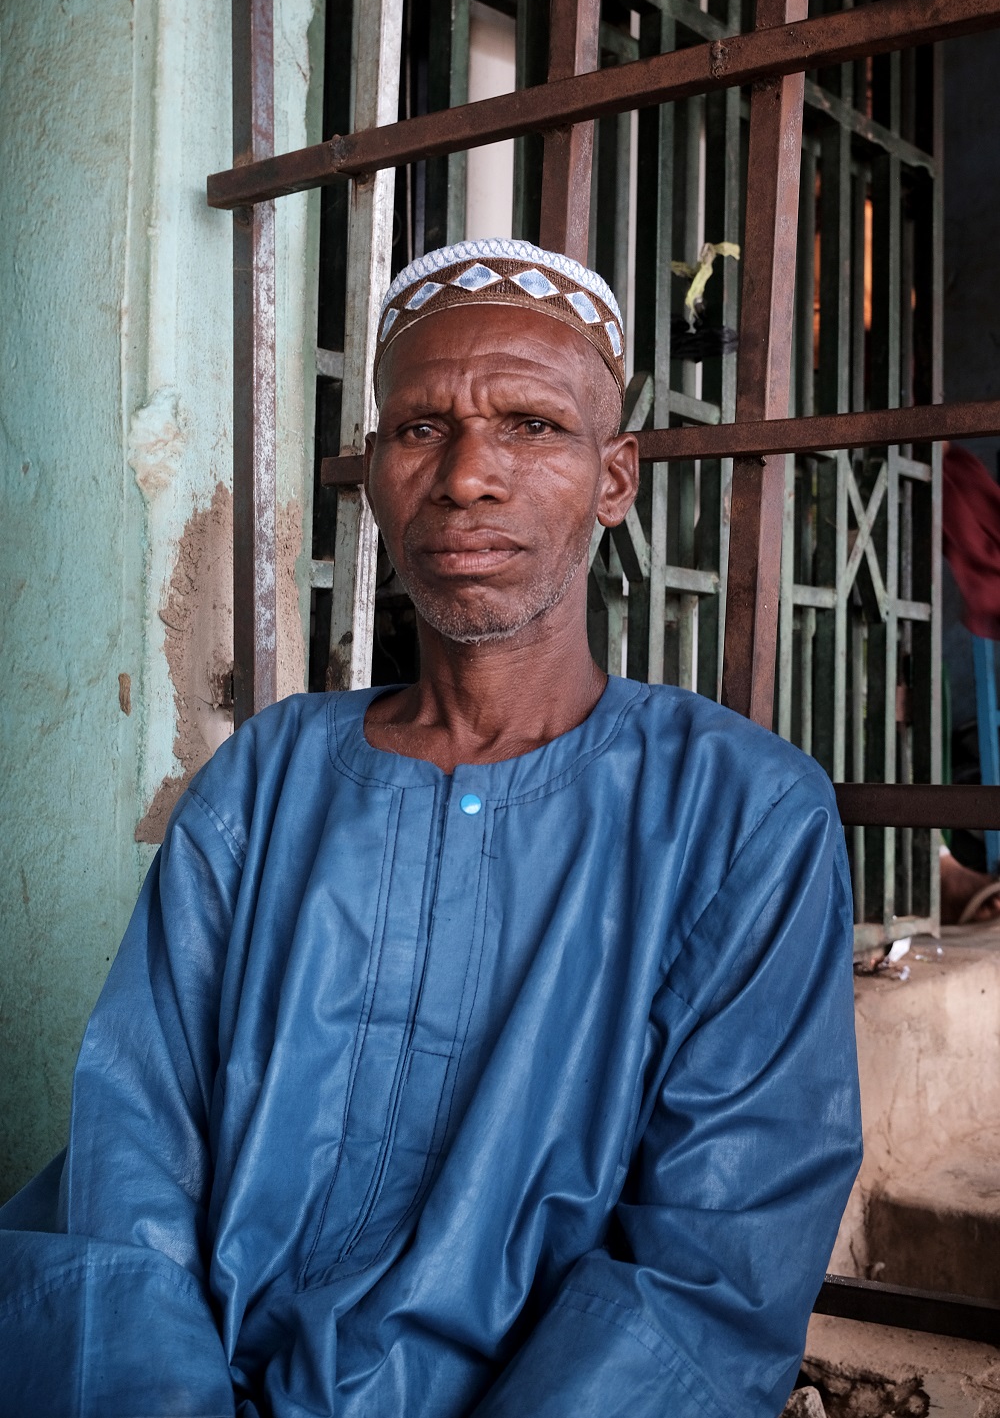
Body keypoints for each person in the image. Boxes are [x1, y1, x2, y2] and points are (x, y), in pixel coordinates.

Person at [0, 239, 862, 1418]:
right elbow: (131, 1148)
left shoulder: (741, 815)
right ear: (374, 472)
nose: (467, 476)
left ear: (615, 480)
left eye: (531, 426)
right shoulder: (270, 776)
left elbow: (714, 1262)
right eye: (419, 429)